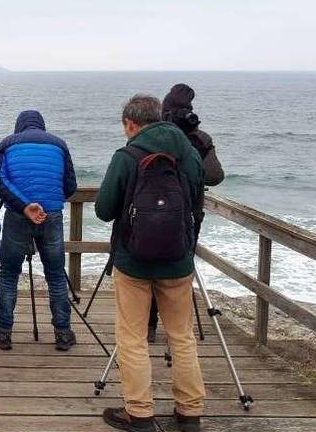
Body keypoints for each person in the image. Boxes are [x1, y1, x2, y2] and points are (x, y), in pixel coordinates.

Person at [95, 95, 205, 432]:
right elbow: (198, 199)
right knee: (182, 337)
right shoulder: (187, 153)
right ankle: (189, 413)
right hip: (178, 260)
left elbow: (103, 209)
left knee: (132, 338)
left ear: (130, 123)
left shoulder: (127, 156)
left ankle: (140, 414)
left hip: (133, 262)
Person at [0, 110, 78, 352]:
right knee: (56, 275)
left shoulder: (7, 144)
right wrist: (46, 202)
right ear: (42, 126)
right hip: (51, 215)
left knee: (8, 275)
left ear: (19, 126)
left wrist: (25, 204)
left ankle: (3, 332)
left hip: (18, 215)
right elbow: (70, 186)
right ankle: (62, 332)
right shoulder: (59, 145)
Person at [147, 84, 225, 342]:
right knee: (179, 272)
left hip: (153, 214)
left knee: (149, 269)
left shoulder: (152, 136)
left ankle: (148, 325)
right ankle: (178, 331)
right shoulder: (200, 139)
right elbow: (214, 176)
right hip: (189, 217)